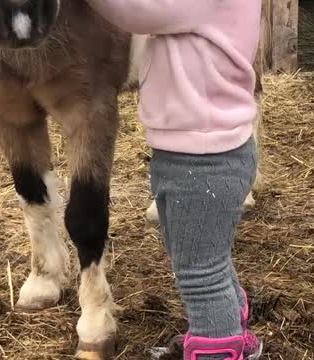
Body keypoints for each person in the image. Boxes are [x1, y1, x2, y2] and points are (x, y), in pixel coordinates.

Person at [83, 0, 263, 359]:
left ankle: (217, 345)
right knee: (201, 259)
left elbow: (135, 11)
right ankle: (229, 335)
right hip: (189, 151)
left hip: (204, 159)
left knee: (200, 273)